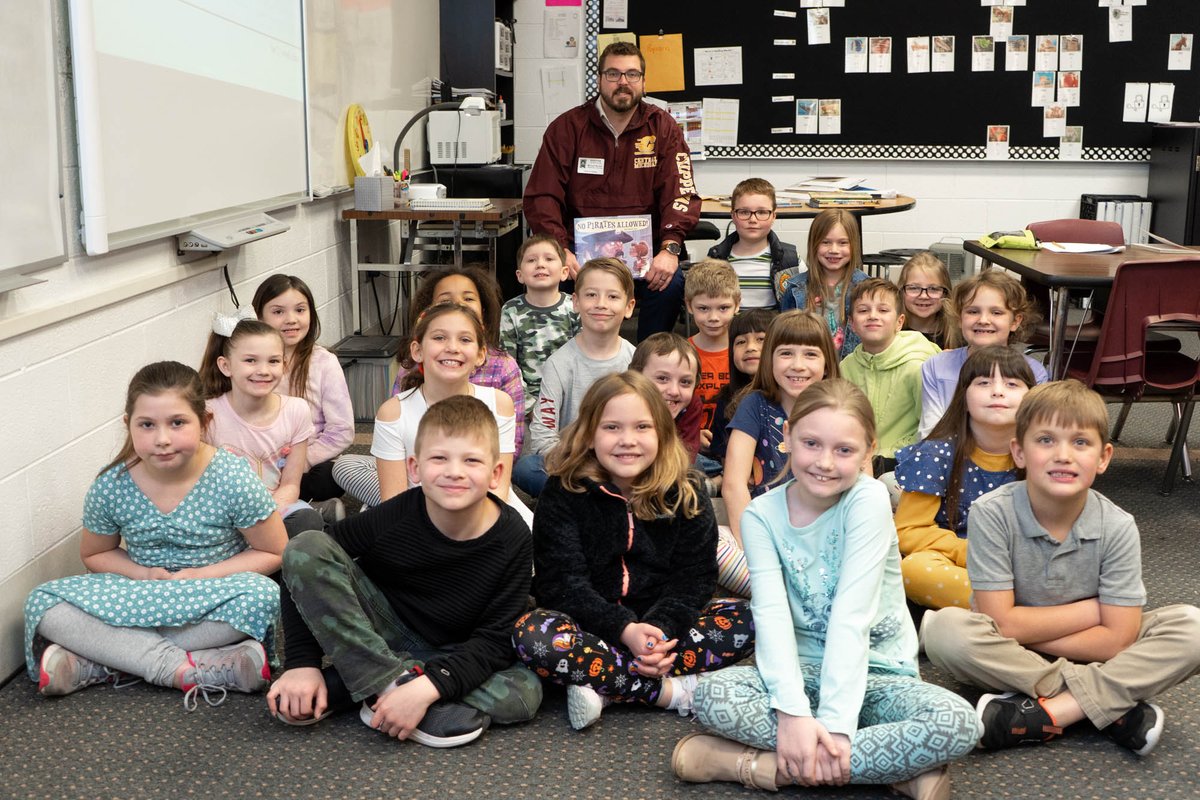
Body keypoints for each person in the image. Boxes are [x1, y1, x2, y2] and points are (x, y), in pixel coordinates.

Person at [676, 379, 979, 798]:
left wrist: (835, 726)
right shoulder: (761, 515)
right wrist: (793, 712)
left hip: (880, 674)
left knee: (958, 722)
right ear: (787, 437)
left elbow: (851, 618)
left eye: (844, 450)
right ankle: (896, 772)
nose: (825, 462)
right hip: (797, 674)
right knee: (711, 695)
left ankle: (757, 765)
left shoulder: (868, 499)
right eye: (812, 443)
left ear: (868, 450)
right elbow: (772, 615)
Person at [923, 380, 1200, 757]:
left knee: (1193, 628)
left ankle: (1051, 711)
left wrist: (1024, 628)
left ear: (1103, 458)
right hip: (1022, 646)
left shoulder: (1117, 525)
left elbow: (1119, 640)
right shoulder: (991, 513)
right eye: (1046, 440)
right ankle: (1107, 704)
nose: (1063, 455)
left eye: (1080, 443)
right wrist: (1095, 610)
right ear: (1019, 452)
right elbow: (1000, 624)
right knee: (944, 631)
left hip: (1049, 649)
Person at [267, 396, 541, 747]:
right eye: (439, 458)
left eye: (471, 460)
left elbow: (495, 640)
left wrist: (430, 685)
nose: (454, 471)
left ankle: (364, 684)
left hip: (455, 649)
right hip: (383, 629)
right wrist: (301, 663)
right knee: (305, 545)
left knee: (524, 694)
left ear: (495, 473)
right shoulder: (398, 514)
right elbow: (302, 564)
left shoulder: (513, 536)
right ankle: (388, 686)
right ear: (414, 468)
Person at [25, 361, 286, 709]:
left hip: (212, 593)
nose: (162, 439)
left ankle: (103, 661)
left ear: (203, 422)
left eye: (177, 423)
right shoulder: (111, 484)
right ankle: (183, 666)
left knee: (263, 596)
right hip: (140, 592)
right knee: (43, 604)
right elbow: (96, 554)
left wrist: (201, 575)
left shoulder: (232, 477)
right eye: (147, 425)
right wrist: (144, 574)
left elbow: (275, 550)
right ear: (128, 426)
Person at [513, 372, 754, 730]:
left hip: (666, 633)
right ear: (589, 434)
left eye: (642, 427)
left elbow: (694, 581)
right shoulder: (563, 492)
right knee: (530, 633)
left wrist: (657, 630)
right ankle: (668, 692)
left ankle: (608, 686)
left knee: (752, 619)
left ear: (661, 432)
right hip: (589, 628)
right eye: (612, 428)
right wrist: (625, 631)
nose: (628, 441)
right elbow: (562, 584)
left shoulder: (686, 491)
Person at [523, 40, 701, 340]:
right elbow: (543, 196)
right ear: (599, 79)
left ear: (643, 81)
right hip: (578, 258)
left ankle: (645, 365)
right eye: (613, 74)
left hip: (645, 257)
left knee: (670, 286)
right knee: (549, 280)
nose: (623, 82)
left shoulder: (664, 127)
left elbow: (681, 193)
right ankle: (572, 364)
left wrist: (670, 247)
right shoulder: (567, 128)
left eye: (632, 74)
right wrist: (560, 248)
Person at [331, 303, 531, 526]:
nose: (452, 347)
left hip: (484, 508)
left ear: (481, 354)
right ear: (417, 351)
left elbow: (499, 489)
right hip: (418, 512)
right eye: (439, 338)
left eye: (465, 340)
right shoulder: (394, 411)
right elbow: (395, 500)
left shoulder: (499, 403)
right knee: (346, 468)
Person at [895, 347, 1033, 611]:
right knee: (913, 570)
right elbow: (909, 531)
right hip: (953, 557)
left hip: (1019, 560)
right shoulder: (936, 452)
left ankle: (1008, 610)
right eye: (983, 382)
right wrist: (969, 552)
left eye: (1012, 383)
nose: (998, 391)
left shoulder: (1040, 455)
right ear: (963, 396)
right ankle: (1023, 611)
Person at [630, 334, 749, 597]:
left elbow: (683, 461)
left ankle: (783, 596)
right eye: (661, 379)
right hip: (633, 524)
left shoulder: (690, 404)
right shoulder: (619, 420)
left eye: (685, 382)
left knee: (693, 487)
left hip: (673, 488)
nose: (673, 390)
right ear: (635, 376)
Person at [513, 258, 636, 497]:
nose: (601, 304)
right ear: (576, 302)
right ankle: (602, 496)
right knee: (526, 468)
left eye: (612, 297)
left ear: (629, 306)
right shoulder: (558, 364)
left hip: (624, 460)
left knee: (687, 461)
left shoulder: (636, 360)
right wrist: (581, 466)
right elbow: (543, 435)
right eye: (591, 295)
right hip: (573, 463)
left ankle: (595, 496)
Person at [199, 317, 323, 539]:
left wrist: (265, 519)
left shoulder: (296, 410)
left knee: (307, 522)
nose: (264, 370)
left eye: (273, 361)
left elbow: (290, 485)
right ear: (226, 366)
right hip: (224, 515)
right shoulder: (208, 415)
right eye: (250, 361)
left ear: (284, 365)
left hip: (275, 509)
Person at [722, 310, 839, 544]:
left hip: (829, 532)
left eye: (810, 355)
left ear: (827, 364)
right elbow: (734, 485)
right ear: (769, 360)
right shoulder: (754, 405)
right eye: (786, 353)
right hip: (767, 531)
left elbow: (862, 479)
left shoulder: (841, 408)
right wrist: (754, 550)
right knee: (716, 542)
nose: (798, 365)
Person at [391, 265, 526, 455]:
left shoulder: (503, 366)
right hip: (418, 466)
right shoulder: (413, 364)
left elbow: (513, 445)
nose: (458, 305)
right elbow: (396, 432)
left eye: (468, 298)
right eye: (445, 300)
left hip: (480, 470)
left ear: (484, 312)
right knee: (347, 467)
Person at [252, 274, 354, 521]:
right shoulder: (251, 361)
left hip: (308, 464)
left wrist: (301, 463)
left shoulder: (324, 362)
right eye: (278, 312)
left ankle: (288, 508)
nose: (291, 320)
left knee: (331, 477)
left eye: (300, 310)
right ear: (259, 317)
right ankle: (308, 511)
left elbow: (342, 430)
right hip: (260, 458)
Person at [918, 270, 1046, 438]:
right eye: (973, 311)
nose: (983, 320)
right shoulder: (936, 367)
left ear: (1015, 321)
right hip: (946, 459)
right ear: (959, 318)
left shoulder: (1034, 372)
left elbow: (1031, 434)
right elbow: (930, 433)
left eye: (996, 312)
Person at [839, 278, 940, 472]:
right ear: (852, 323)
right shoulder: (846, 367)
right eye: (863, 310)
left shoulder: (917, 366)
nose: (872, 316)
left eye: (883, 310)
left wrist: (892, 458)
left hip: (904, 462)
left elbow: (931, 428)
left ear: (899, 322)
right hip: (856, 460)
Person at [498, 234, 581, 413]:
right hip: (527, 402)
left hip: (570, 398)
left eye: (549, 258)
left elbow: (582, 358)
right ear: (519, 276)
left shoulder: (574, 307)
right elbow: (508, 365)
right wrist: (530, 407)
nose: (540, 264)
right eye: (531, 260)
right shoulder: (511, 311)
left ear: (565, 272)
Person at [780, 209, 870, 358]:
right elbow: (783, 339)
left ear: (854, 245)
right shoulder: (795, 289)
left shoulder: (866, 288)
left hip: (851, 375)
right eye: (826, 242)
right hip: (808, 373)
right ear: (813, 244)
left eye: (842, 243)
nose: (834, 250)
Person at [707, 177, 800, 309]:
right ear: (733, 215)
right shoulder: (716, 257)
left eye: (762, 212)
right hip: (730, 328)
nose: (753, 219)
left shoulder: (790, 259)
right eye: (744, 212)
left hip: (773, 328)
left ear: (773, 216)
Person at [707, 309, 774, 462]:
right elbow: (724, 458)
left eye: (761, 339)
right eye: (741, 342)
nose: (750, 347)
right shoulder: (726, 399)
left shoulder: (789, 395)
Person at [684, 258, 740, 438]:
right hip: (690, 445)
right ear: (689, 306)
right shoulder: (680, 354)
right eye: (703, 308)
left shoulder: (746, 354)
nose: (713, 317)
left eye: (723, 308)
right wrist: (691, 435)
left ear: (737, 304)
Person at [895, 252, 953, 349]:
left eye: (934, 289)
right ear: (901, 291)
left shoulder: (957, 335)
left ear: (945, 293)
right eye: (914, 288)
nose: (923, 296)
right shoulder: (890, 332)